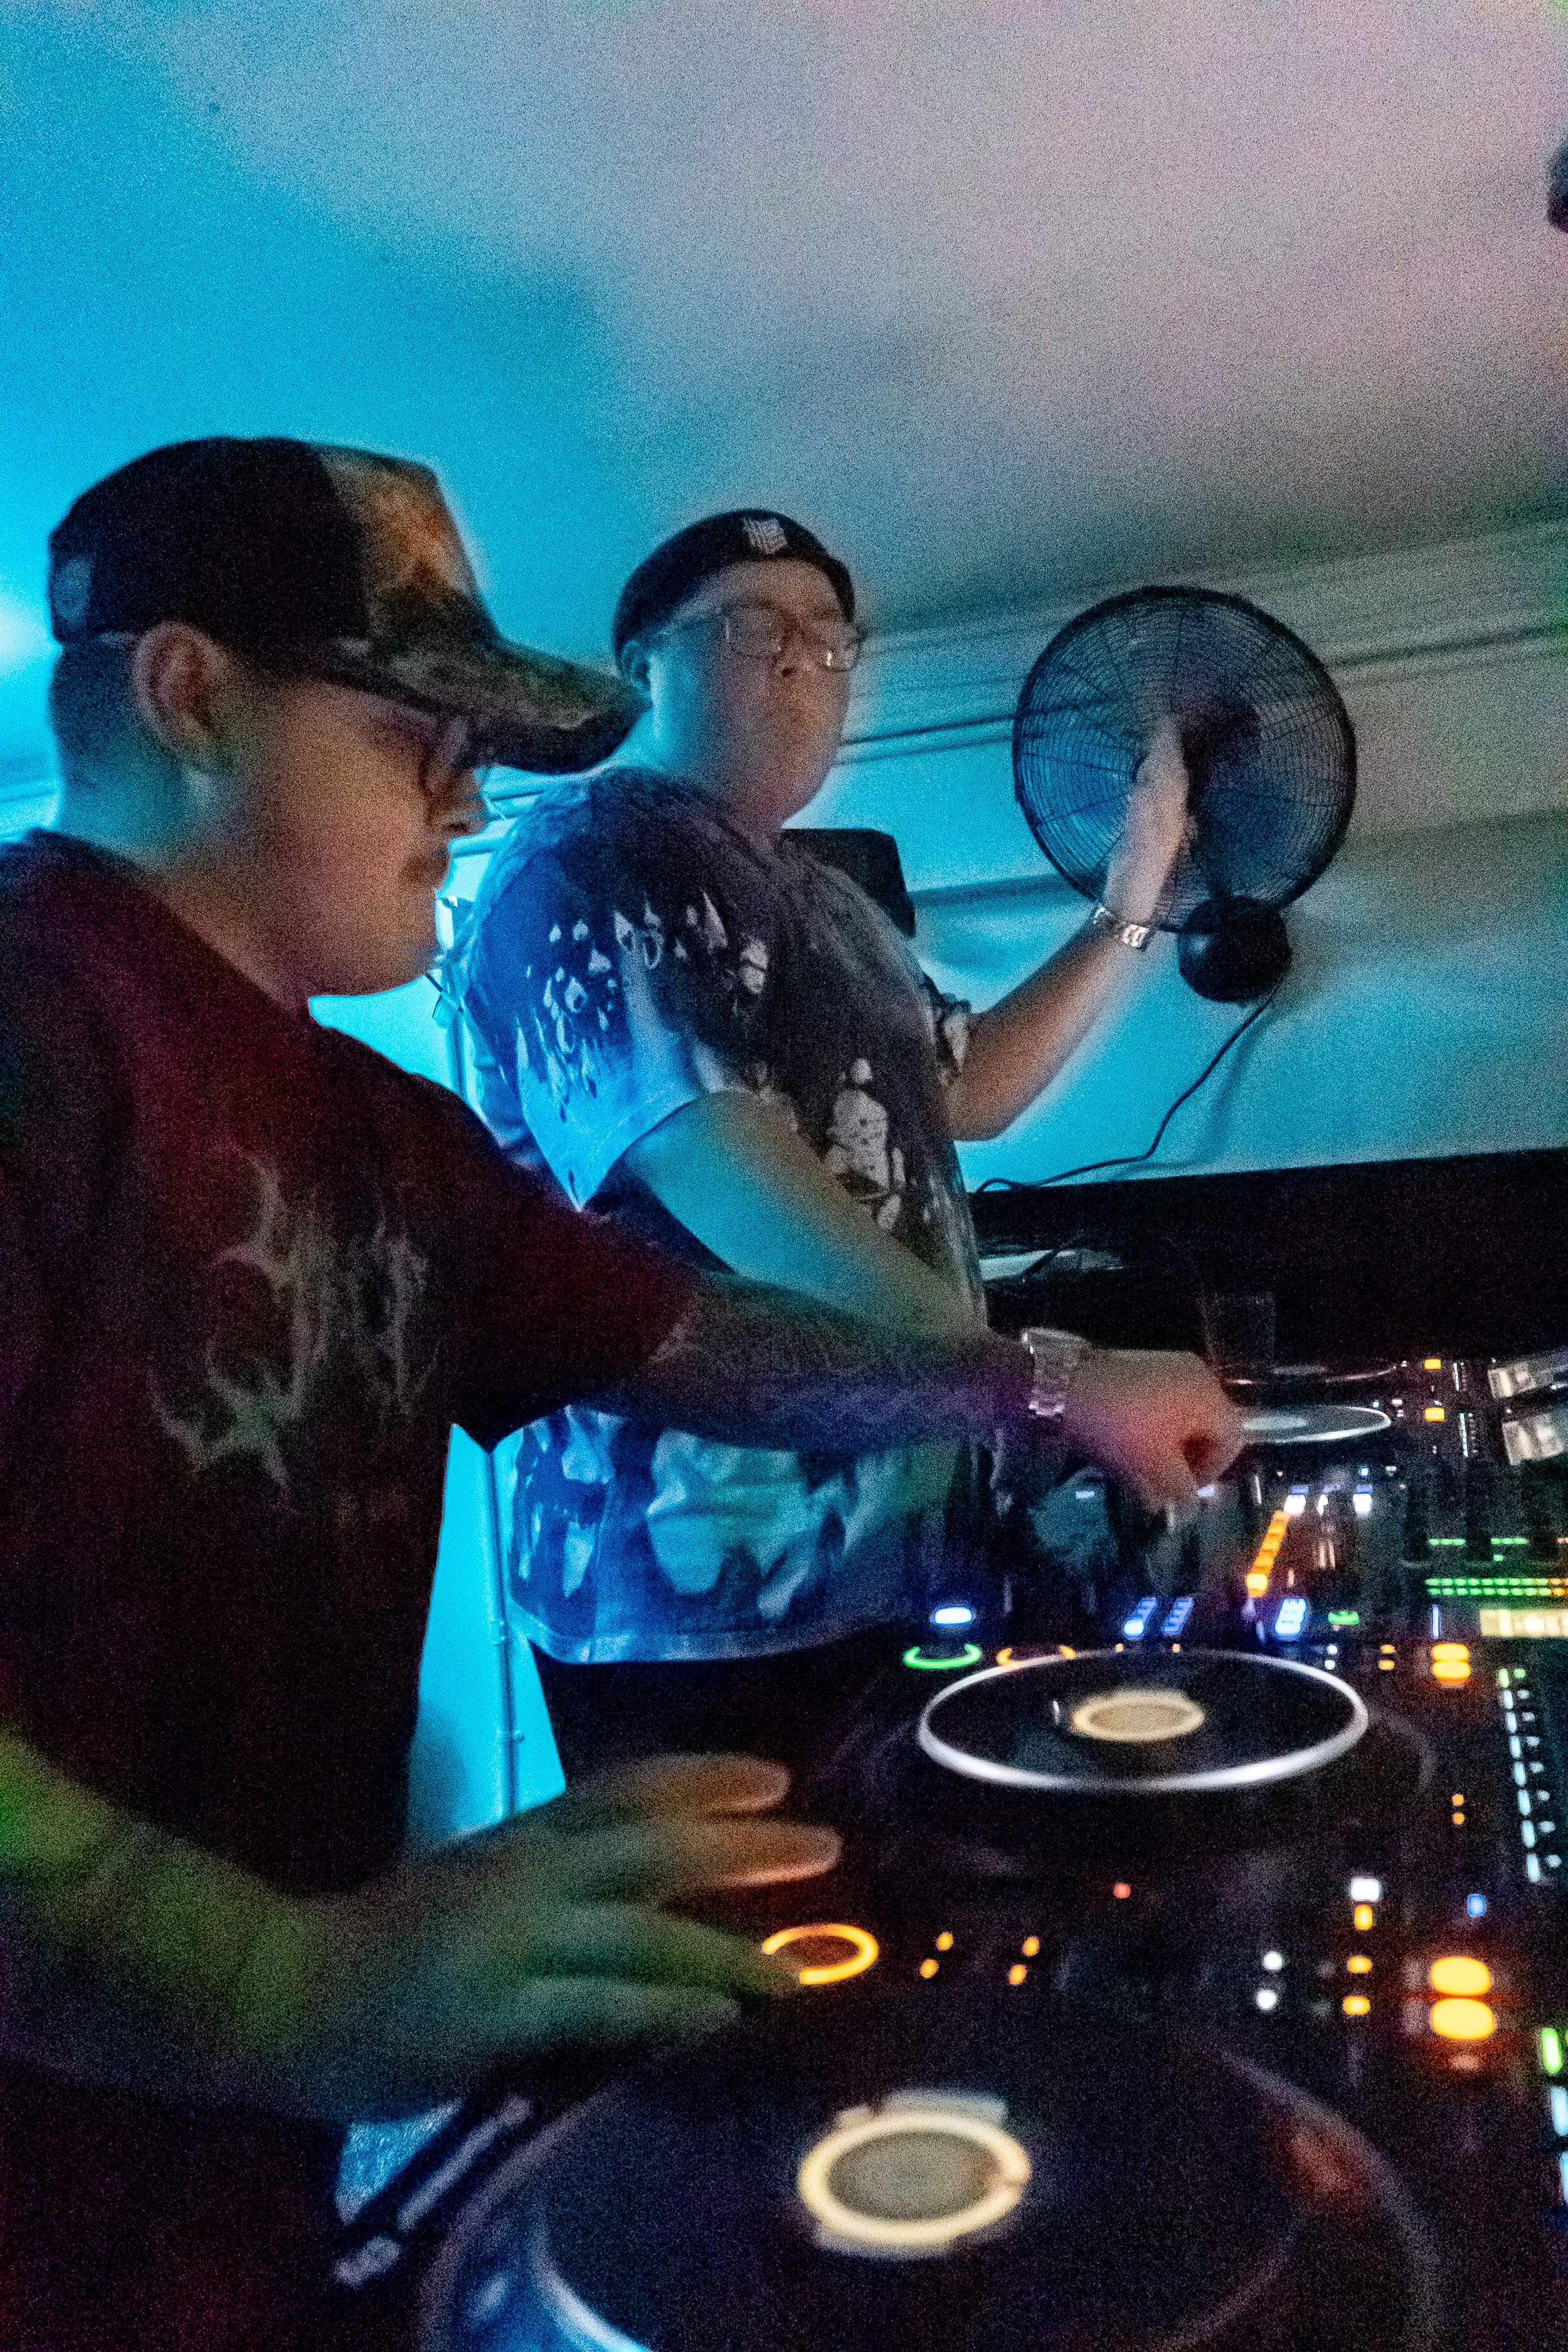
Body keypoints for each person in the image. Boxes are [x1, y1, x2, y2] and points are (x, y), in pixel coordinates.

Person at [0, 441, 1238, 2349]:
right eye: (417, 729)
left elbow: (689, 1336)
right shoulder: (35, 1012)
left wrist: (1027, 1390)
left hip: (220, 2165)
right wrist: (265, 1974)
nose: (470, 788)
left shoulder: (379, 1128)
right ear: (188, 695)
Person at [456, 509, 1224, 1781]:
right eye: (752, 624)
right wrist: (1044, 1385)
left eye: (827, 634)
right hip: (699, 1597)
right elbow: (717, 1167)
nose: (801, 657)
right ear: (648, 658)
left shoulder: (835, 905)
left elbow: (969, 1092)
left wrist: (1128, 906)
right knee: (746, 1962)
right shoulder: (594, 854)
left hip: (898, 1565)